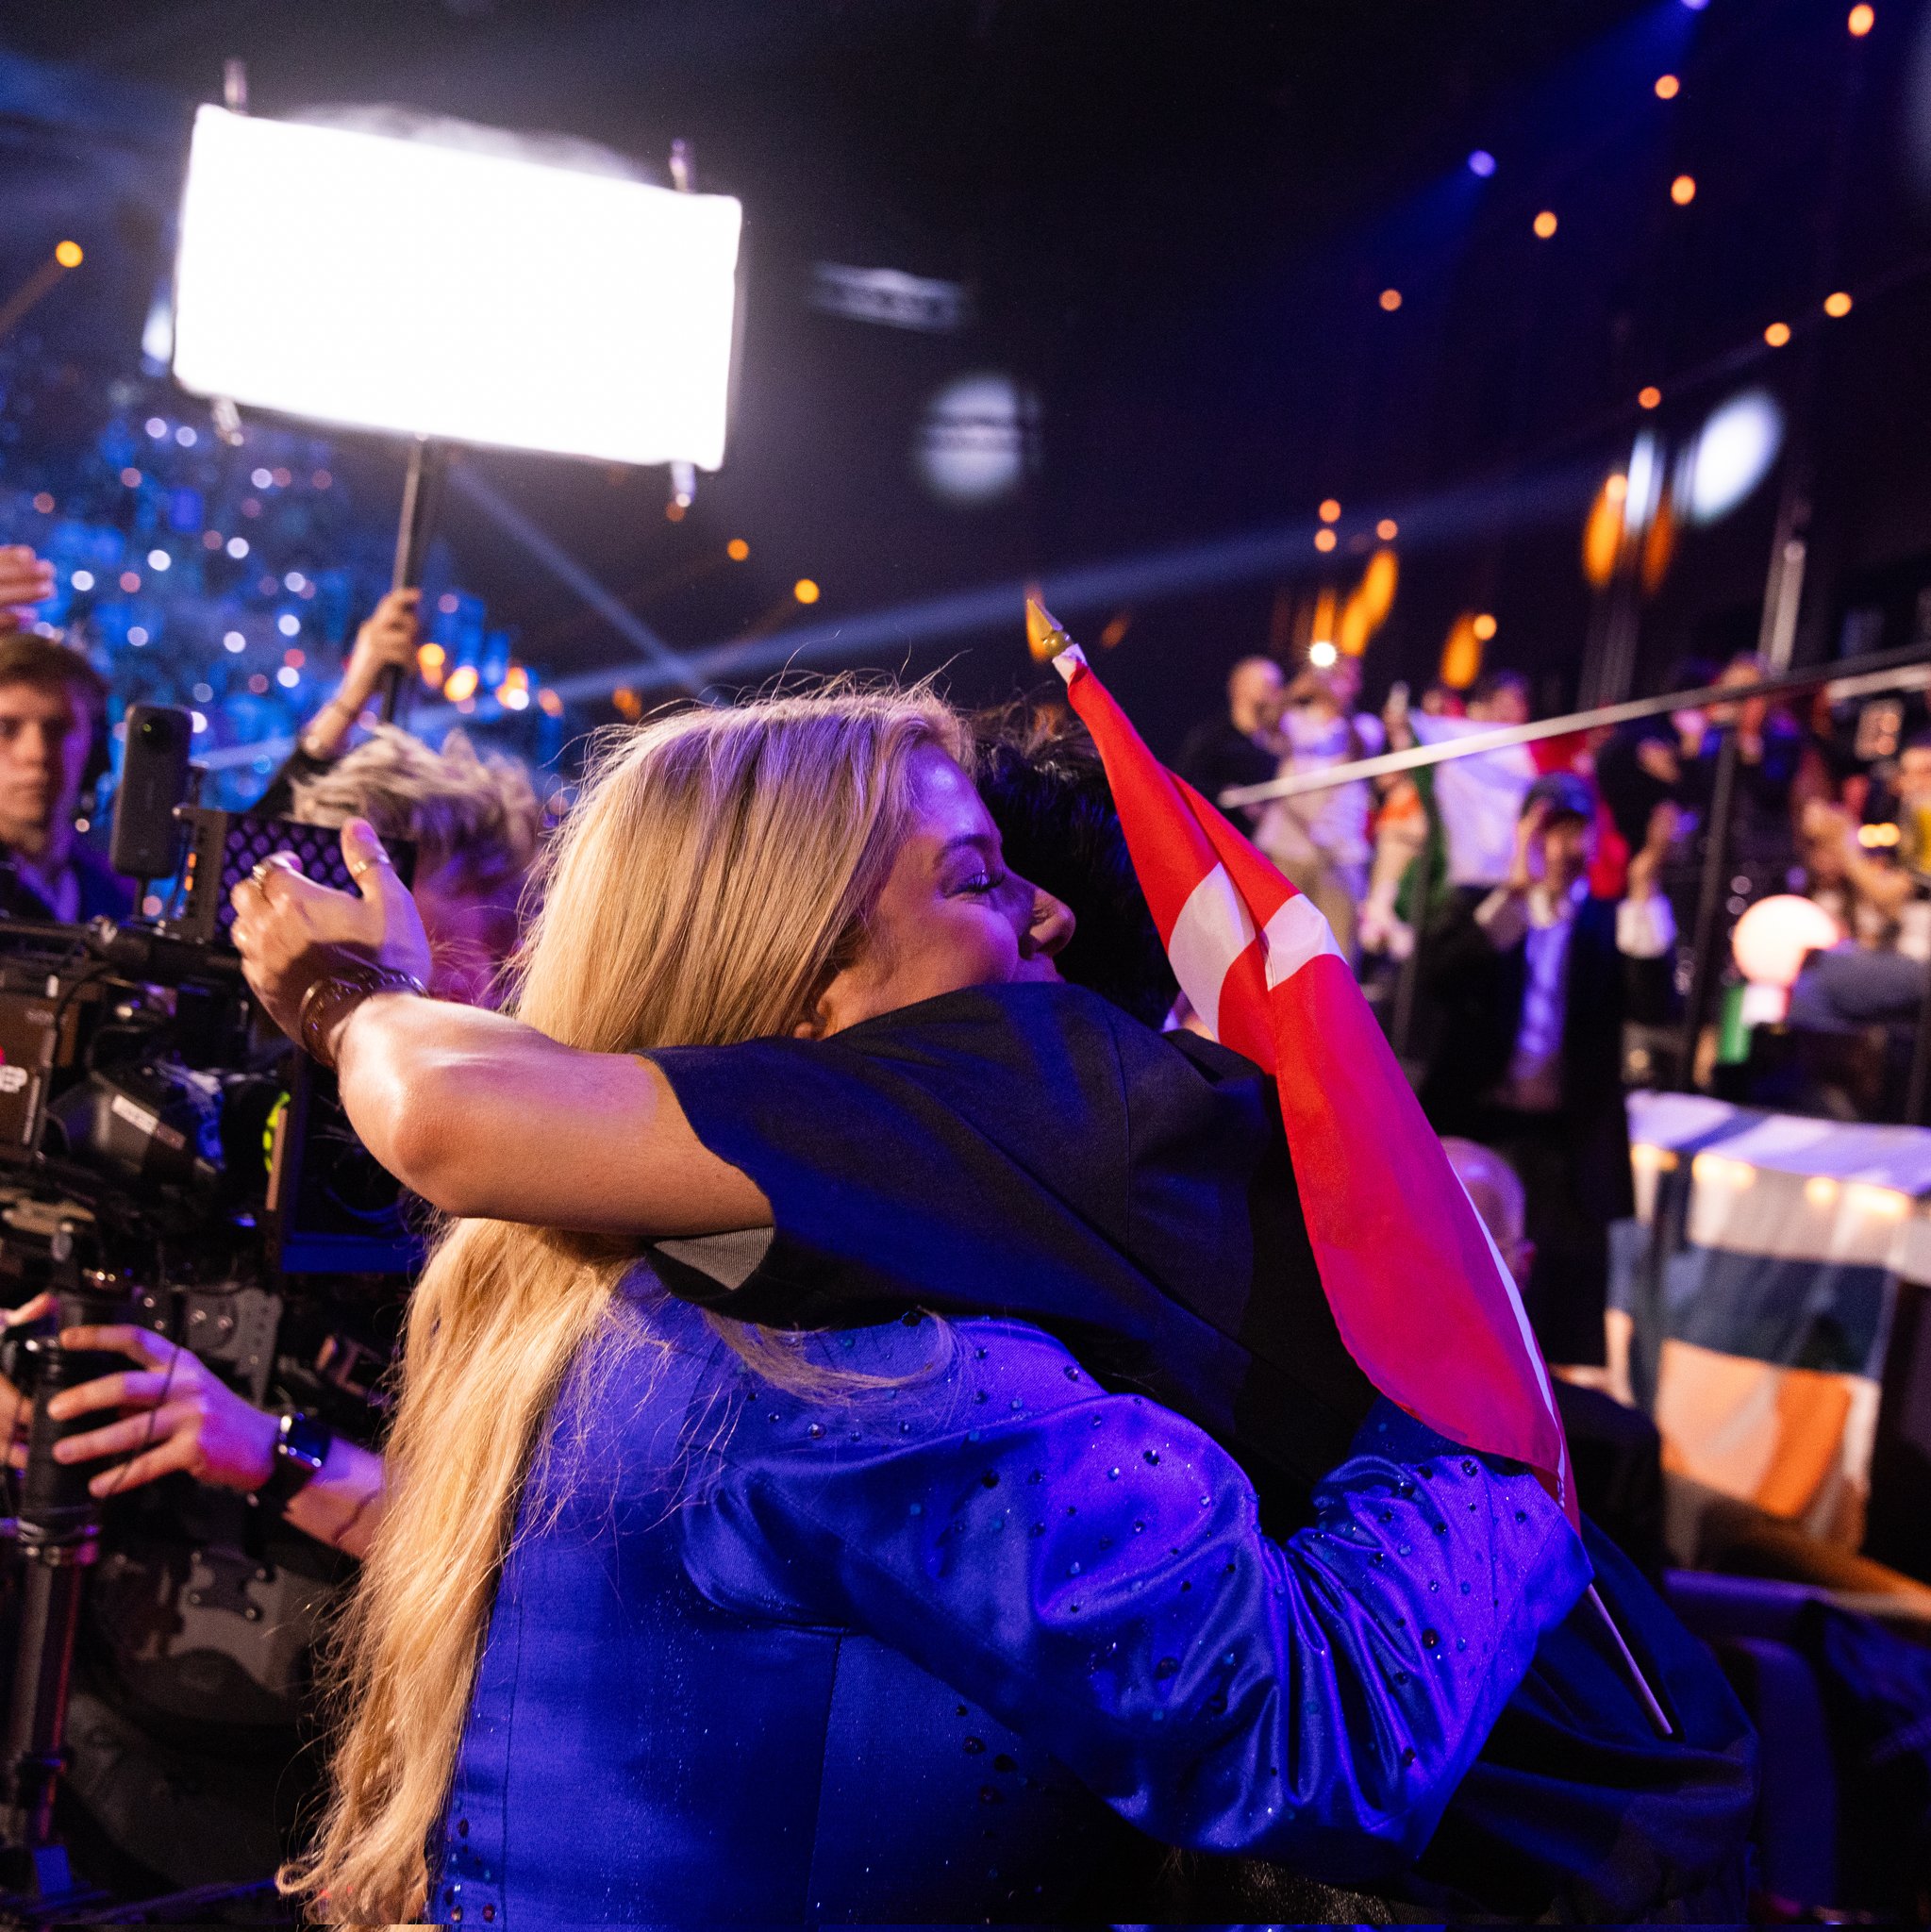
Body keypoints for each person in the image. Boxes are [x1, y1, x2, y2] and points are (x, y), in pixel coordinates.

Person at [218, 686, 1590, 1924]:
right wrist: (1467, 1415)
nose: (1049, 916)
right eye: (977, 878)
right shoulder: (860, 1376)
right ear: (804, 985)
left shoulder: (587, 1288)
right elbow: (1315, 1735)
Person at [1421, 774, 1676, 1366]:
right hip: (1481, 1128)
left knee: (1554, 1316)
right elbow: (1441, 978)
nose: (1565, 849)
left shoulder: (1608, 923)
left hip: (1565, 1145)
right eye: (1551, 833)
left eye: (1577, 833)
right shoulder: (1486, 910)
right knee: (1455, 1282)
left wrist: (1645, 889)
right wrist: (1514, 893)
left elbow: (1652, 1006)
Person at [0, 547, 126, 922]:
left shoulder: (116, 899)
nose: (36, 753)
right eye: (6, 728)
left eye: (58, 728)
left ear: (96, 746)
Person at [1253, 658, 1383, 966]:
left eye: (1347, 676)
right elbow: (1265, 727)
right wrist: (1296, 689)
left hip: (1340, 852)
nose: (1337, 682)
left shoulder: (1365, 726)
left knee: (1338, 950)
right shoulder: (1295, 719)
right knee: (1275, 943)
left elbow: (1359, 749)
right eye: (1334, 674)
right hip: (1287, 847)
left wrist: (1338, 702)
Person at [1174, 654, 1282, 828]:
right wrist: (1227, 795)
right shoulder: (1212, 739)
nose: (1275, 692)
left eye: (1277, 685)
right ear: (1239, 687)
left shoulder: (1278, 743)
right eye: (1267, 685)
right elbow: (1184, 785)